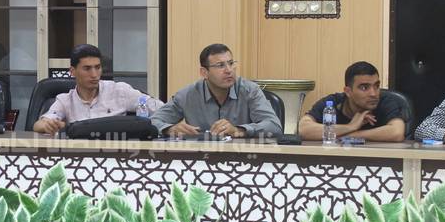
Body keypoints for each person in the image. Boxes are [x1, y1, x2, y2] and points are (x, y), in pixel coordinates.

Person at [151, 43, 282, 138]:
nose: (229, 70)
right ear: (204, 72)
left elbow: (274, 126)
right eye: (220, 65)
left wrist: (239, 130)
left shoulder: (250, 91)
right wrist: (169, 129)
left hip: (245, 159)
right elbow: (152, 122)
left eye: (231, 63)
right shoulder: (187, 95)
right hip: (201, 160)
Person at [32, 44, 164, 134]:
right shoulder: (65, 101)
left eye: (97, 67)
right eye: (87, 69)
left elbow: (160, 109)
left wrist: (166, 127)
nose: (94, 74)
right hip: (80, 156)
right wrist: (48, 125)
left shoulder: (119, 91)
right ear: (72, 71)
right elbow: (39, 124)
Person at [298, 61, 407, 142]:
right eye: (364, 88)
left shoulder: (386, 102)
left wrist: (351, 135)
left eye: (376, 86)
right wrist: (350, 126)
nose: (373, 93)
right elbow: (302, 129)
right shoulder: (332, 103)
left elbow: (397, 133)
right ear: (348, 91)